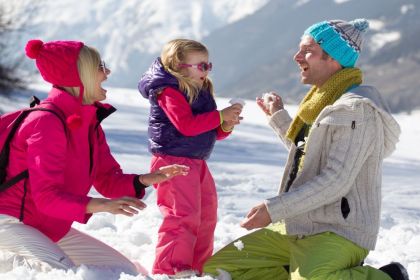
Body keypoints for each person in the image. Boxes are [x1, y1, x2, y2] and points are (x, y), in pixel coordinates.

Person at [204, 19, 409, 280]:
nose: (296, 56)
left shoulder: (356, 110)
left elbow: (336, 179)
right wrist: (278, 117)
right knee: (219, 271)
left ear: (333, 58)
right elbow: (310, 153)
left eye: (307, 50)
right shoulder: (321, 101)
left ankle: (387, 277)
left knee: (314, 278)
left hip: (337, 228)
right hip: (299, 223)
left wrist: (274, 209)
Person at [0, 39, 189, 276]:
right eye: (100, 67)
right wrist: (102, 206)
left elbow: (107, 179)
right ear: (78, 75)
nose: (107, 73)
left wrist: (148, 179)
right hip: (12, 224)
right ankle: (10, 261)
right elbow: (46, 197)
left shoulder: (89, 122)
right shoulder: (46, 123)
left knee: (126, 271)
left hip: (48, 225)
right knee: (64, 274)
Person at [138, 39, 242, 278]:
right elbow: (186, 125)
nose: (206, 71)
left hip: (196, 161)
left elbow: (210, 131)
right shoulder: (168, 91)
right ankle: (171, 268)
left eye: (208, 65)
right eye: (201, 66)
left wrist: (225, 124)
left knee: (206, 213)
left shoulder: (201, 90)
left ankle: (197, 266)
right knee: (182, 215)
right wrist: (218, 116)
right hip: (172, 161)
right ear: (179, 66)